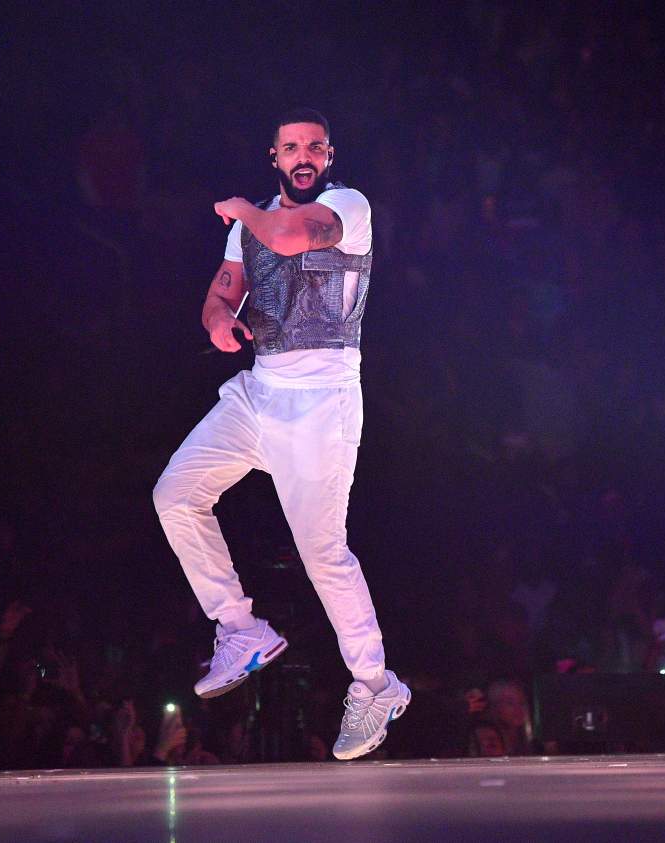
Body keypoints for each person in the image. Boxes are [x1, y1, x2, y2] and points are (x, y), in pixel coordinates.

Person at [153, 108, 409, 760]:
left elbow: (293, 238)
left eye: (313, 147)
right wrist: (217, 324)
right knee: (176, 493)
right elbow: (222, 294)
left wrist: (241, 208)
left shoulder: (347, 205)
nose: (302, 156)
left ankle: (376, 682)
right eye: (290, 147)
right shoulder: (249, 225)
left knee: (322, 549)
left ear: (328, 155)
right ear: (274, 155)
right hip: (259, 391)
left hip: (322, 402)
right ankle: (238, 627)